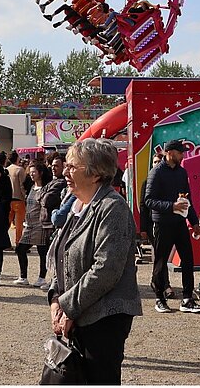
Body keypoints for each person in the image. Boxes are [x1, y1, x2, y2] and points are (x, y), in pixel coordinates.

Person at [47, 139, 142, 385]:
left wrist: (67, 306)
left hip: (103, 319)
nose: (65, 172)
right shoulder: (77, 206)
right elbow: (62, 254)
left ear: (95, 173)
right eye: (66, 166)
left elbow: (106, 269)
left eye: (72, 167)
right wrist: (56, 299)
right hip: (78, 313)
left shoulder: (113, 208)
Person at [143, 139, 200, 314]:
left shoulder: (182, 172)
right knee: (161, 262)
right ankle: (160, 298)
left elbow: (187, 200)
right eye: (180, 152)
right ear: (169, 152)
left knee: (188, 260)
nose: (182, 155)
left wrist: (194, 222)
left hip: (179, 223)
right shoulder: (156, 172)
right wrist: (171, 206)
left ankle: (187, 299)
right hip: (162, 223)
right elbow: (149, 200)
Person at [14, 163, 53, 287]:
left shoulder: (46, 188)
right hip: (29, 224)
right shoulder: (31, 187)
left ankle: (41, 278)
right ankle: (23, 276)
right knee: (20, 249)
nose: (31, 174)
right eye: (30, 172)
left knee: (42, 251)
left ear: (40, 173)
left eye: (34, 172)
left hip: (40, 224)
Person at [6, 150, 28, 246]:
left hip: (8, 199)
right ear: (17, 158)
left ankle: (4, 241)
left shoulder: (6, 169)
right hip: (19, 199)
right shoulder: (20, 170)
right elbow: (22, 185)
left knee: (7, 222)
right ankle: (18, 242)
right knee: (19, 224)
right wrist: (26, 196)